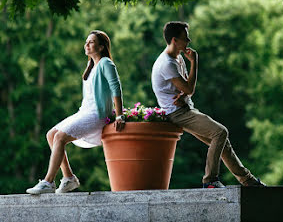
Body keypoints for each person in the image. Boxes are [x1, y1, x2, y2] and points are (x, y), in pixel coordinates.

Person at [151, 21, 265, 188]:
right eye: (185, 37)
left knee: (222, 141)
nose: (189, 41)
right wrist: (194, 63)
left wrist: (184, 94)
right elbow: (189, 88)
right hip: (177, 113)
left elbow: (183, 89)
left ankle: (247, 181)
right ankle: (210, 180)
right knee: (220, 132)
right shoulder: (167, 63)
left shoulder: (178, 58)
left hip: (185, 108)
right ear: (175, 40)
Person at [26, 30, 126, 195]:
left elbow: (116, 88)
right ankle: (69, 178)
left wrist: (119, 115)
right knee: (51, 135)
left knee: (59, 137)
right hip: (84, 111)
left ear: (101, 47)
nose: (87, 44)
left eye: (91, 42)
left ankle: (48, 182)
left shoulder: (106, 63)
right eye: (86, 41)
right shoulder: (90, 65)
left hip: (97, 114)